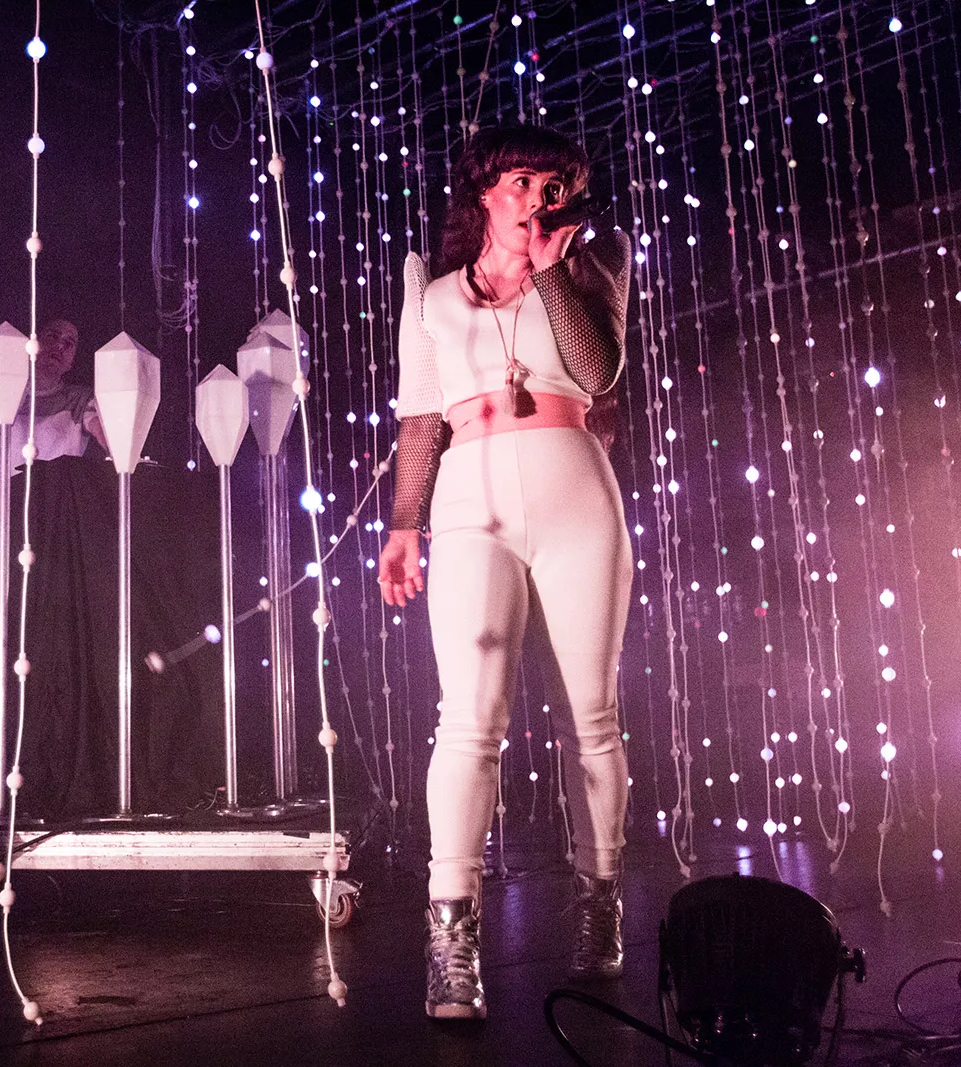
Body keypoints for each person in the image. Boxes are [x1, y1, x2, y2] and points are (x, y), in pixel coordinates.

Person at [377, 125, 633, 1020]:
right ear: (486, 192)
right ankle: (451, 936)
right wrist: (402, 525)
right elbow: (420, 418)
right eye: (522, 181)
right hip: (470, 499)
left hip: (574, 492)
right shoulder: (433, 295)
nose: (537, 198)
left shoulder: (596, 267)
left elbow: (599, 371)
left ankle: (599, 902)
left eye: (553, 186)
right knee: (469, 717)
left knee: (590, 714)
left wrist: (552, 271)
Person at [0, 318, 107, 545]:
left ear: (72, 361)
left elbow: (104, 432)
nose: (60, 346)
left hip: (56, 534)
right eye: (53, 336)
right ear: (33, 343)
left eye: (69, 343)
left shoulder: (80, 401)